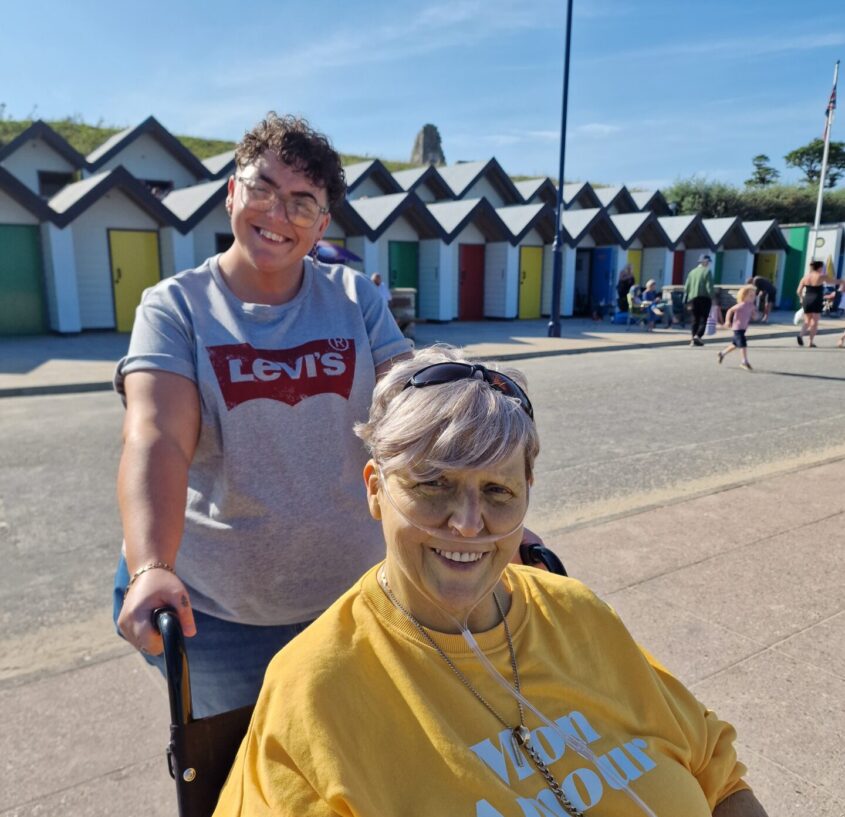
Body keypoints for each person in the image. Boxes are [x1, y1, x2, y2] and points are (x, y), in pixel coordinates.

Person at [214, 346, 770, 817]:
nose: (468, 522)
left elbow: (718, 772)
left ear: (528, 490)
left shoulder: (576, 613)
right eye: (433, 484)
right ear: (375, 488)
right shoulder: (316, 688)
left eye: (499, 492)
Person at [113, 113, 413, 717]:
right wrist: (150, 566)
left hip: (352, 599)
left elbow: (412, 416)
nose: (278, 216)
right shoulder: (176, 308)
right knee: (240, 786)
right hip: (220, 617)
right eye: (263, 190)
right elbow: (157, 437)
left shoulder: (356, 299)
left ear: (322, 223)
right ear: (232, 192)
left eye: (303, 204)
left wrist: (490, 518)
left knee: (349, 772)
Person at [796, 260, 837, 347]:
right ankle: (810, 342)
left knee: (807, 321)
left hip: (807, 299)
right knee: (814, 321)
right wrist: (841, 281)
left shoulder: (805, 277)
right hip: (816, 299)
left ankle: (800, 335)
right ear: (819, 267)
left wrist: (801, 298)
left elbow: (798, 291)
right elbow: (832, 282)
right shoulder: (821, 276)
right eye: (822, 267)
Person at [717, 285, 757, 371]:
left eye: (754, 296)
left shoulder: (751, 306)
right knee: (743, 344)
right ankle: (744, 361)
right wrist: (727, 321)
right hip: (737, 328)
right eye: (750, 296)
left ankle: (722, 353)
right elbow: (730, 310)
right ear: (743, 296)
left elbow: (753, 314)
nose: (753, 297)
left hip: (743, 329)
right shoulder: (741, 305)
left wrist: (754, 315)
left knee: (734, 345)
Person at [684, 253, 716, 347]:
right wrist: (713, 297)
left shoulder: (692, 272)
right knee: (703, 318)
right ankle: (698, 336)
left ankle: (693, 338)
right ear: (705, 261)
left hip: (693, 298)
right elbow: (709, 287)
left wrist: (687, 299)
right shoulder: (707, 272)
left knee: (695, 319)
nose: (709, 263)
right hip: (704, 298)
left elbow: (687, 287)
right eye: (708, 261)